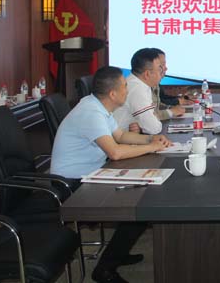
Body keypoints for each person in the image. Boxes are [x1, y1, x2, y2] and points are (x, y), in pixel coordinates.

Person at [51, 66, 172, 283]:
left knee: (142, 196)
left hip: (91, 173)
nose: (128, 90)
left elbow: (121, 136)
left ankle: (118, 254)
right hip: (70, 185)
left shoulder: (98, 106)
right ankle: (105, 270)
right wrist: (151, 147)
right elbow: (115, 152)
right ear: (113, 94)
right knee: (138, 210)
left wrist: (151, 140)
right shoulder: (91, 112)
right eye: (124, 86)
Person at [113, 48, 185, 135]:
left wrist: (146, 122)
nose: (162, 72)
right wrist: (148, 122)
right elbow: (153, 128)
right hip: (117, 140)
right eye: (159, 69)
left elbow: (152, 119)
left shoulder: (139, 84)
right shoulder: (137, 89)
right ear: (147, 74)